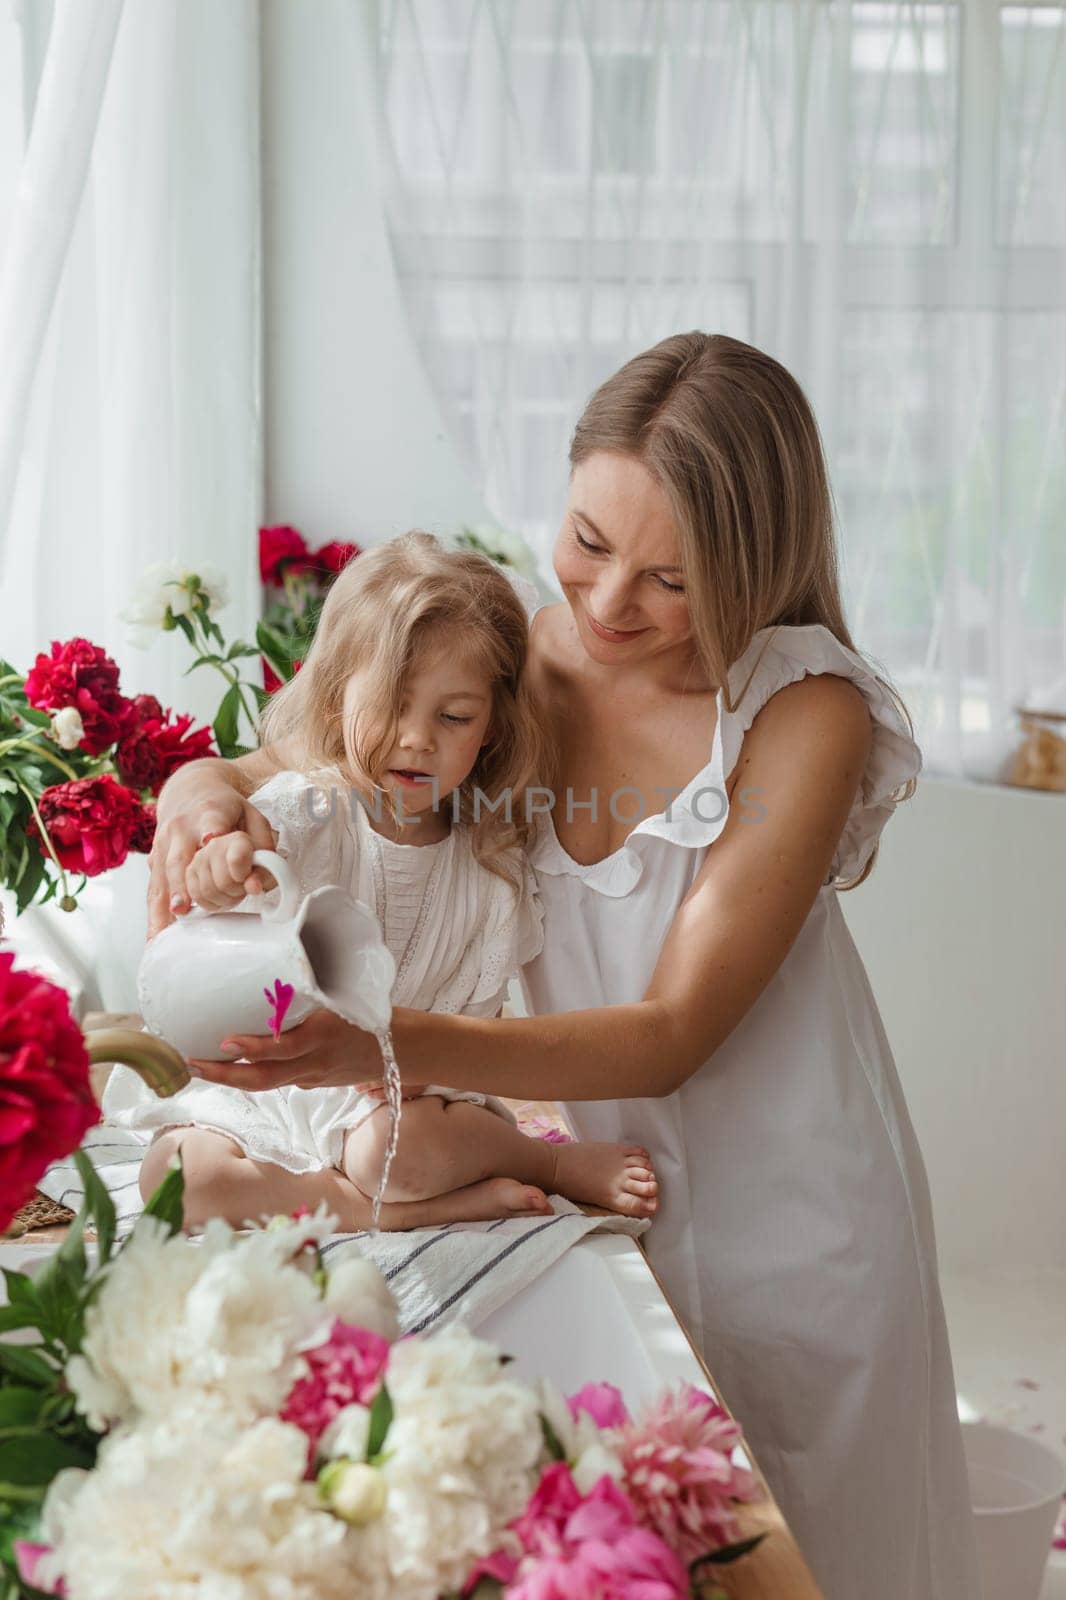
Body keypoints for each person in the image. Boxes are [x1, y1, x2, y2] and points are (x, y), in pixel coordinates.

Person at [150, 334, 980, 1600]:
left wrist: (376, 1041)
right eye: (588, 542)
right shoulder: (511, 663)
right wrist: (197, 806)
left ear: (752, 566)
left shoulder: (803, 714)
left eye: (671, 578)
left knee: (824, 1554)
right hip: (602, 1199)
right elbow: (280, 769)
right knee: (644, 1540)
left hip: (800, 1215)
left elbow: (671, 1029)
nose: (605, 606)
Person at [108, 532, 658, 1230]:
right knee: (176, 1182)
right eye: (392, 705)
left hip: (405, 1102)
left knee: (392, 1156)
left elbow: (476, 1022)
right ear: (338, 701)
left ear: (490, 728)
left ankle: (545, 1162)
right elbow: (233, 880)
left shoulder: (489, 862)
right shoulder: (305, 809)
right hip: (280, 1095)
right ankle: (391, 1214)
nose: (417, 737)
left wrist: (429, 1073)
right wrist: (221, 865)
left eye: (453, 716)